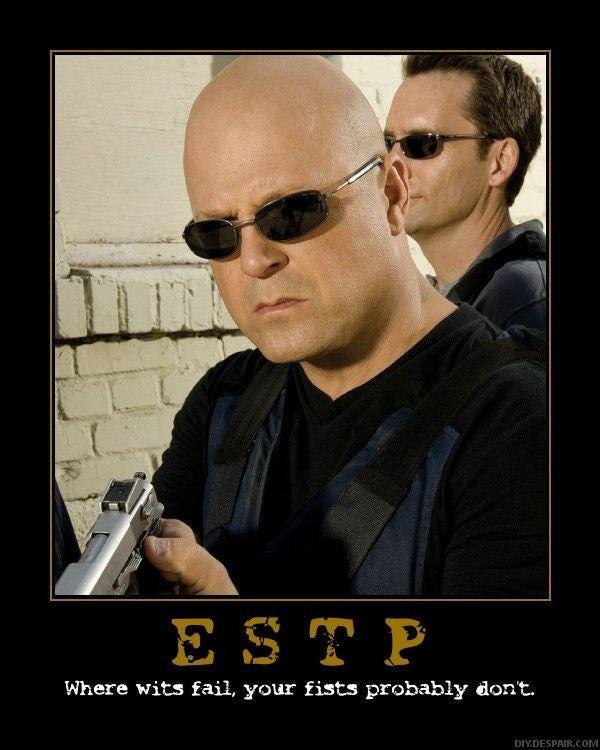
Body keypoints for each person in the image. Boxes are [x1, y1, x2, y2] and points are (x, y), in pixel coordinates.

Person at [142, 55, 546, 597]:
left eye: (290, 213)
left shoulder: (518, 426)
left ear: (392, 194)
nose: (253, 260)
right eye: (217, 234)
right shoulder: (225, 403)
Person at [385, 54, 546, 330]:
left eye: (422, 143)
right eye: (388, 143)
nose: (393, 165)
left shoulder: (526, 302)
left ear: (500, 162)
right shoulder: (457, 302)